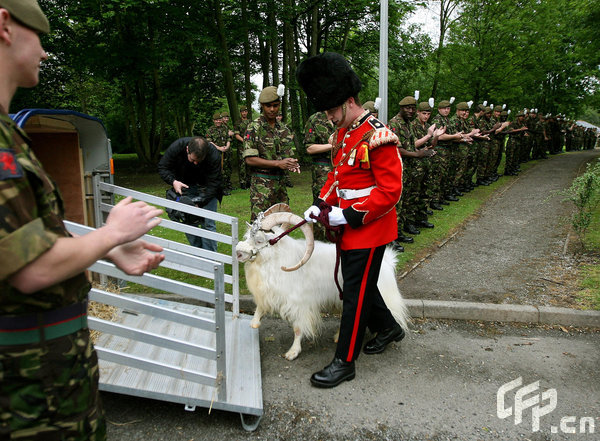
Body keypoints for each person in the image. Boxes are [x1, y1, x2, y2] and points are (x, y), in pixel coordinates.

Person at [0, 2, 165, 438]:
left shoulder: (9, 133)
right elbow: (30, 268)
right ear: (4, 25)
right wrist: (113, 231)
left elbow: (30, 238)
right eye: (39, 35)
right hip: (27, 392)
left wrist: (108, 246)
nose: (45, 53)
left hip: (48, 375)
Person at [297, 52, 405, 388]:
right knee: (358, 286)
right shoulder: (345, 134)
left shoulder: (377, 134)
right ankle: (389, 328)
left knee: (354, 295)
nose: (329, 117)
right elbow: (338, 176)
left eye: (332, 110)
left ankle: (345, 362)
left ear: (350, 101)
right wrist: (320, 204)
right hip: (348, 228)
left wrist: (349, 214)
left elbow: (391, 190)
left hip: (370, 229)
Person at [243, 85, 299, 221]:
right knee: (260, 227)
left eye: (275, 105)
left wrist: (291, 163)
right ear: (262, 105)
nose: (272, 109)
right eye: (268, 106)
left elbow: (287, 155)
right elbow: (249, 159)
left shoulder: (284, 129)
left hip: (280, 186)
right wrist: (278, 163)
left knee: (282, 226)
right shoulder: (254, 127)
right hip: (261, 187)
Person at [158, 136, 223, 252]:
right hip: (186, 186)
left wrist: (200, 200)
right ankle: (198, 253)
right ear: (187, 149)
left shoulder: (213, 154)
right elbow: (163, 167)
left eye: (199, 161)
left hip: (207, 188)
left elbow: (215, 182)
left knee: (208, 223)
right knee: (188, 221)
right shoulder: (177, 147)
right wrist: (174, 182)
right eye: (192, 160)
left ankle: (212, 259)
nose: (196, 163)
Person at [304, 110, 334, 241]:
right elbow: (310, 148)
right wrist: (332, 146)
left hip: (341, 167)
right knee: (321, 204)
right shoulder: (315, 119)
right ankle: (320, 240)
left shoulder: (343, 116)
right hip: (322, 168)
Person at [234, 105, 251, 189]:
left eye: (245, 111)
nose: (244, 113)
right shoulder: (238, 122)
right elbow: (236, 135)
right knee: (242, 164)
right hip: (242, 146)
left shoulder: (250, 122)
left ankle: (249, 181)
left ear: (247, 112)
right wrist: (245, 141)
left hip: (250, 146)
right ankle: (242, 182)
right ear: (240, 113)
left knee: (250, 163)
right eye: (242, 112)